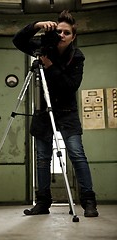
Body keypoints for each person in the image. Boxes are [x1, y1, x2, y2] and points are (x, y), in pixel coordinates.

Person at [13, 10, 99, 217]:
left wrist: (50, 67)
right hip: (43, 111)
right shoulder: (44, 48)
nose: (61, 35)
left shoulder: (77, 56)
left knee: (77, 154)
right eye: (58, 31)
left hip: (67, 111)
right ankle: (42, 202)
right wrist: (37, 25)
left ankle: (88, 201)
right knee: (43, 158)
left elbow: (71, 86)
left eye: (66, 33)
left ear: (73, 37)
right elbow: (17, 40)